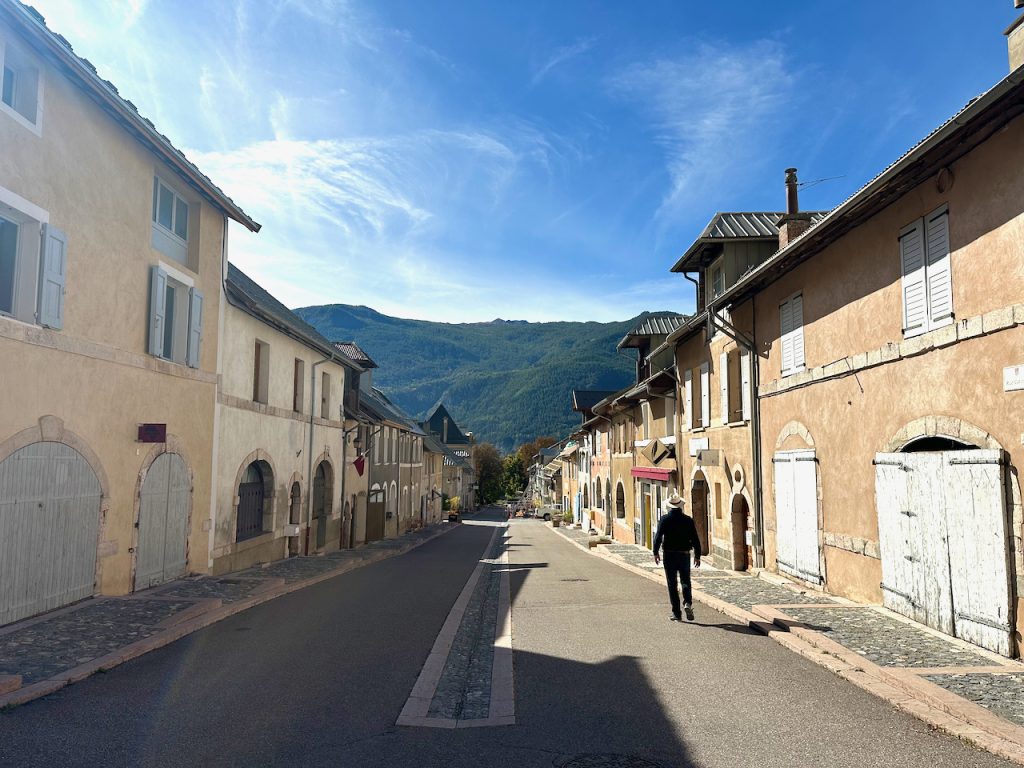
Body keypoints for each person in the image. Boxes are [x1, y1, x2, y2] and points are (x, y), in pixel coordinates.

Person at [653, 493, 702, 622]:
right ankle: (687, 603)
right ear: (680, 506)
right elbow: (695, 539)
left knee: (672, 583)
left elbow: (658, 537)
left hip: (669, 554)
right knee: (686, 580)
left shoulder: (664, 520)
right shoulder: (688, 520)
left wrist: (655, 552)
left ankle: (676, 613)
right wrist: (697, 555)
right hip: (684, 554)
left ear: (669, 506)